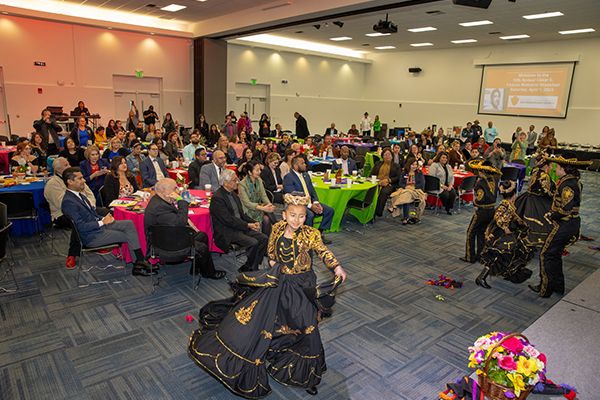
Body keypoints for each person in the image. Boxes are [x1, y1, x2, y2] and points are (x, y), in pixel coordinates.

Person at [188, 192, 346, 398]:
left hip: (301, 285)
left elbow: (324, 252)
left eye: (301, 216)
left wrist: (337, 268)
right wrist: (274, 266)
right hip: (278, 280)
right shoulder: (277, 228)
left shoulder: (311, 234)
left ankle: (305, 375)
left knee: (305, 324)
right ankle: (272, 350)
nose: (297, 220)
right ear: (284, 215)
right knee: (268, 319)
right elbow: (271, 254)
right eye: (292, 215)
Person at [61, 167, 154, 276]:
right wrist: (102, 222)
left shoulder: (78, 195)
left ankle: (139, 262)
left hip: (97, 227)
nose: (84, 180)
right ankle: (139, 263)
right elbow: (81, 226)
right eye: (80, 178)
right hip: (91, 236)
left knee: (129, 224)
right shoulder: (69, 201)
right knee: (129, 234)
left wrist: (102, 219)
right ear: (70, 182)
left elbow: (92, 214)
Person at [528, 153, 590, 298]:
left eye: (557, 167)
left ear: (564, 169)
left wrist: (551, 215)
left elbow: (566, 209)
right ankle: (558, 286)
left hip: (564, 225)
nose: (555, 170)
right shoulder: (575, 181)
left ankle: (546, 288)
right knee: (554, 254)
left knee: (547, 254)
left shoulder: (567, 184)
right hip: (571, 224)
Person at [144, 178, 224, 279]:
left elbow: (176, 218)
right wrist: (181, 200)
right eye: (175, 188)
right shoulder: (160, 207)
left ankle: (196, 268)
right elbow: (180, 222)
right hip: (165, 245)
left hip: (169, 236)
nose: (177, 192)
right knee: (202, 248)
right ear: (164, 190)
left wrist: (187, 218)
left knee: (202, 236)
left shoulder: (160, 201)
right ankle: (209, 273)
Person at [475, 180, 534, 289]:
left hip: (499, 233)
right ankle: (481, 277)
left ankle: (484, 276)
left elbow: (514, 216)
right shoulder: (505, 205)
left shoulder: (508, 204)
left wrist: (522, 223)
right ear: (515, 195)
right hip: (498, 234)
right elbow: (499, 220)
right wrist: (506, 229)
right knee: (498, 255)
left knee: (501, 255)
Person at [210, 169, 269, 272]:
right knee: (253, 242)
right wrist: (248, 225)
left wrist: (253, 222)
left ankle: (252, 266)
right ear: (225, 183)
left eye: (237, 179)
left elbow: (242, 214)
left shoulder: (233, 194)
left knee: (263, 238)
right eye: (234, 180)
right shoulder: (217, 198)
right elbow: (228, 220)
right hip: (228, 231)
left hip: (239, 227)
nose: (237, 182)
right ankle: (250, 268)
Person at [44, 158, 97, 268]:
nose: (69, 166)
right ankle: (72, 254)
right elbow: (63, 205)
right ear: (58, 170)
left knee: (106, 212)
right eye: (66, 165)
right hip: (62, 214)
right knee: (77, 223)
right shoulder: (53, 184)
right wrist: (85, 209)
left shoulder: (76, 178)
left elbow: (90, 194)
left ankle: (99, 242)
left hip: (85, 209)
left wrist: (91, 207)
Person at [283, 155, 334, 243]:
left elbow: (312, 191)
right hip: (297, 205)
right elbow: (293, 197)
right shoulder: (288, 177)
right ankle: (306, 238)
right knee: (309, 215)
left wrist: (316, 203)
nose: (305, 165)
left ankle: (318, 234)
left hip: (310, 203)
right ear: (295, 166)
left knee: (329, 211)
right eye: (302, 163)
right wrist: (310, 206)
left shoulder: (306, 175)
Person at [460, 159, 501, 263]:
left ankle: (470, 256)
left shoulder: (481, 183)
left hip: (482, 211)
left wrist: (475, 204)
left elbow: (479, 198)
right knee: (482, 232)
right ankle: (481, 255)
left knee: (471, 232)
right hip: (491, 210)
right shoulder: (494, 181)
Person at [514, 155, 556, 247]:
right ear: (546, 166)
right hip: (538, 200)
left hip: (528, 197)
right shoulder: (544, 176)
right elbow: (547, 192)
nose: (551, 168)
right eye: (550, 166)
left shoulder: (535, 171)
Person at [239, 161, 277, 236]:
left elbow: (264, 196)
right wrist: (263, 208)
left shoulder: (259, 180)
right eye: (257, 170)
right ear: (250, 172)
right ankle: (278, 228)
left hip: (259, 207)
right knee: (267, 217)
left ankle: (266, 240)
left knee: (267, 218)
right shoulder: (242, 184)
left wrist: (269, 205)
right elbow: (247, 203)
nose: (259, 172)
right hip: (248, 211)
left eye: (259, 169)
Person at [390, 158, 426, 224]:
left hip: (416, 191)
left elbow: (422, 184)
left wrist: (413, 187)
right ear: (409, 165)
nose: (414, 166)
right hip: (405, 191)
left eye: (416, 164)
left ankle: (396, 206)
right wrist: (406, 187)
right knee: (406, 195)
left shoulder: (419, 173)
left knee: (406, 193)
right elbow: (400, 184)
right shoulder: (404, 173)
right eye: (412, 164)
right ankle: (405, 218)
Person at [371, 148, 401, 217]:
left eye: (389, 154)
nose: (387, 156)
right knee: (371, 190)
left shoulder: (396, 166)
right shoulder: (378, 164)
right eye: (385, 154)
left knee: (384, 192)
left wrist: (388, 180)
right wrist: (377, 181)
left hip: (390, 184)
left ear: (392, 156)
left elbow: (398, 177)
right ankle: (369, 210)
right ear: (382, 156)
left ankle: (378, 212)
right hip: (377, 182)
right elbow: (371, 174)